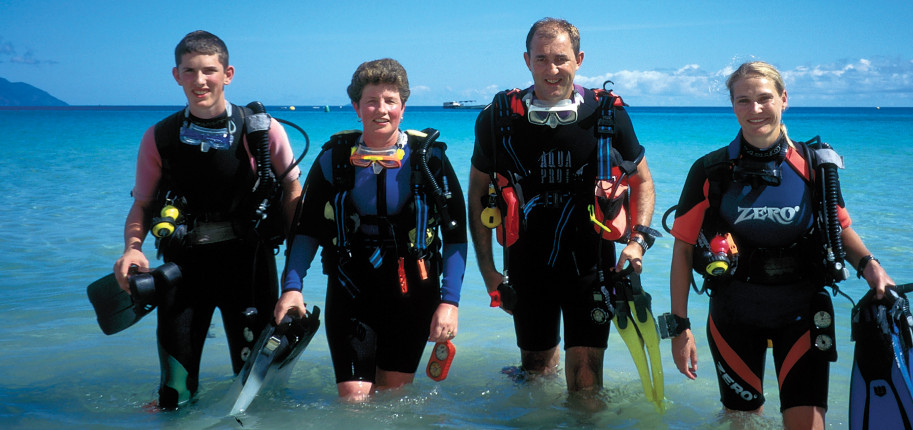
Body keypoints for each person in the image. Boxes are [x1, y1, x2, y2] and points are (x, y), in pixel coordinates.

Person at [665, 61, 896, 428]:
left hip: (802, 313)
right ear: (733, 105)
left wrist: (871, 265)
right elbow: (682, 250)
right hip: (734, 314)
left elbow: (840, 228)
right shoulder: (710, 171)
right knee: (741, 421)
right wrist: (679, 328)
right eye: (743, 100)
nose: (754, 110)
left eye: (764, 98)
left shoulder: (814, 166)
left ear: (784, 99)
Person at [112, 30, 302, 410]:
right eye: (190, 71)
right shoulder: (160, 137)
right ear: (176, 75)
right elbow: (143, 205)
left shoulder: (262, 132)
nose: (200, 81)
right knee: (173, 394)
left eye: (209, 71)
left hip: (248, 267)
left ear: (228, 74)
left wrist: (293, 279)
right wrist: (132, 249)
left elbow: (294, 194)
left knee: (258, 394)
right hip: (183, 272)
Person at [467, 18, 656, 395]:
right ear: (526, 60)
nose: (552, 70)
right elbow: (476, 193)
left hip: (591, 265)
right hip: (526, 265)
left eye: (561, 59)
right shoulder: (498, 118)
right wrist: (488, 271)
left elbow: (643, 182)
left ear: (579, 59)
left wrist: (637, 241)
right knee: (536, 376)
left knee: (586, 386)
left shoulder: (608, 115)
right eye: (541, 59)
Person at [273, 58, 467, 402]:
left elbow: (455, 236)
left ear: (403, 108)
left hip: (413, 293)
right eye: (372, 101)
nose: (382, 109)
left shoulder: (430, 160)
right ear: (356, 108)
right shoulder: (332, 160)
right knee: (353, 401)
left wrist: (449, 302)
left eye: (391, 101)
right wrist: (292, 288)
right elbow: (307, 231)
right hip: (351, 290)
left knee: (394, 398)